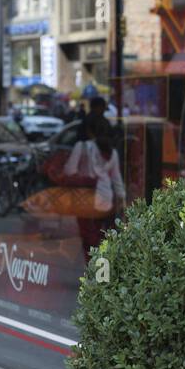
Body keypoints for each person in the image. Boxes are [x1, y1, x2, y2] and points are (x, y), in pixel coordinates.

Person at [67, 107, 126, 260]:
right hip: (106, 200)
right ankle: (101, 270)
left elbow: (69, 171)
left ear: (89, 130)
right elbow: (117, 180)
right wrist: (122, 201)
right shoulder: (112, 152)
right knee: (102, 239)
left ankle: (92, 269)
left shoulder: (82, 147)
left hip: (84, 201)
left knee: (88, 241)